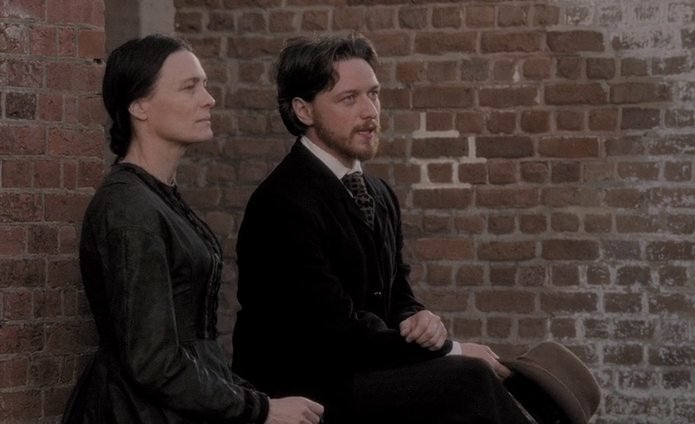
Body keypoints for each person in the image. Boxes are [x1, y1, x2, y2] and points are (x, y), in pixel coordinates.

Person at [231, 34, 533, 423]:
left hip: (363, 371)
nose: (370, 111)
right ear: (303, 111)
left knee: (518, 376)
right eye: (349, 98)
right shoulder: (282, 202)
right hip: (305, 389)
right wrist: (451, 350)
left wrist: (418, 318)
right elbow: (335, 331)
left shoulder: (378, 192)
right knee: (469, 377)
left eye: (373, 94)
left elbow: (397, 293)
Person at [62, 34, 323, 424]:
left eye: (204, 85)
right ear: (139, 105)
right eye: (189, 87)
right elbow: (153, 361)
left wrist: (254, 399)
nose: (209, 99)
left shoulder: (157, 196)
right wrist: (260, 409)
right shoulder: (128, 207)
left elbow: (195, 348)